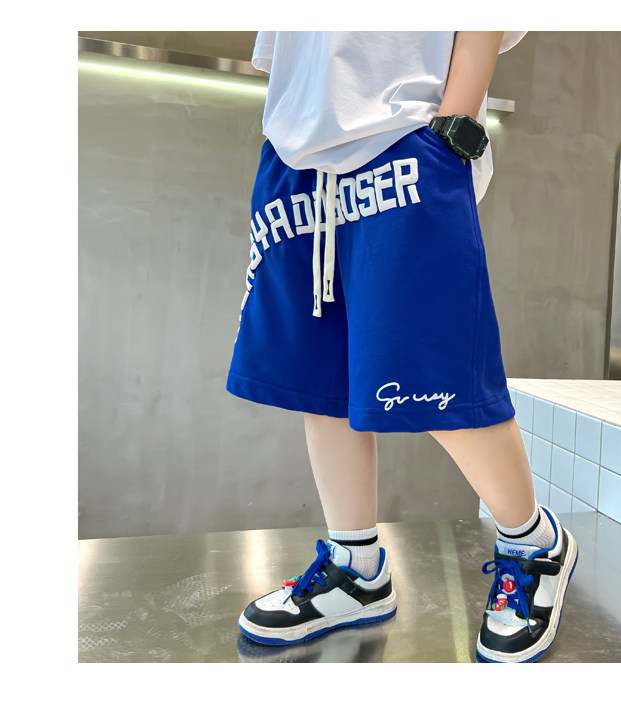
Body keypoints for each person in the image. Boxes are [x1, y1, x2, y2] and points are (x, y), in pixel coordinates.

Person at [226, 31, 577, 663]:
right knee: (321, 383)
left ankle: (533, 545)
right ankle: (355, 570)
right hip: (295, 158)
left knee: (436, 379)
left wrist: (452, 131)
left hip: (406, 138)